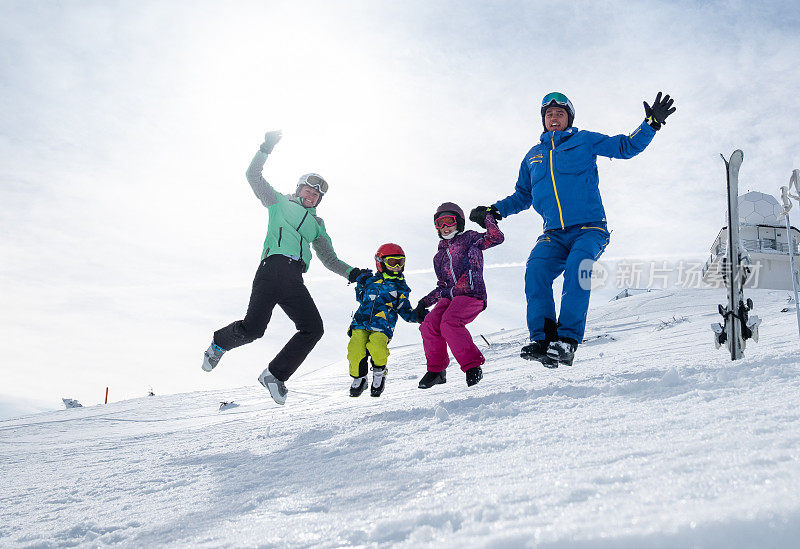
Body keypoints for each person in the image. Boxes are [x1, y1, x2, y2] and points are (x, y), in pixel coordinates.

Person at [471, 91, 675, 367]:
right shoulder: (533, 156)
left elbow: (626, 147)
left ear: (569, 118)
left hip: (590, 228)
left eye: (560, 113)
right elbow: (523, 195)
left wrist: (650, 124)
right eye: (549, 114)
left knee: (579, 267)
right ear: (543, 120)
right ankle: (543, 339)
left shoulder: (584, 141)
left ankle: (566, 340)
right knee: (535, 271)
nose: (554, 117)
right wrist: (495, 210)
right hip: (553, 234)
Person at [202, 130, 371, 405]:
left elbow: (330, 259)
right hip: (272, 269)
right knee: (253, 329)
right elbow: (253, 177)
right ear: (298, 189)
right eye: (308, 190)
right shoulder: (278, 202)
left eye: (316, 195)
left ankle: (275, 375)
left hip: (294, 278)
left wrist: (354, 273)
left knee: (313, 328)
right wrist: (265, 148)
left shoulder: (318, 226)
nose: (312, 196)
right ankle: (219, 344)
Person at [415, 202, 504, 388]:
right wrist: (424, 302)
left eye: (449, 221)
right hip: (449, 298)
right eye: (440, 223)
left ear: (459, 223)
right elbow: (442, 287)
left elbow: (496, 238)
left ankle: (472, 366)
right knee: (429, 324)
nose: (445, 227)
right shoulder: (438, 257)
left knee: (449, 322)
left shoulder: (469, 238)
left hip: (471, 293)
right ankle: (437, 370)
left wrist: (487, 217)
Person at [346, 243, 418, 398]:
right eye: (392, 262)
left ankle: (379, 373)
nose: (397, 266)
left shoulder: (401, 287)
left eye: (401, 262)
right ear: (380, 262)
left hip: (382, 325)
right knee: (355, 348)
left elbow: (404, 309)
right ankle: (360, 378)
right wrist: (361, 281)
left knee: (377, 346)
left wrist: (417, 315)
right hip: (360, 322)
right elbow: (360, 297)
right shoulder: (370, 281)